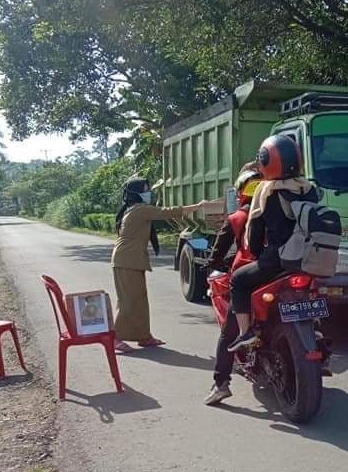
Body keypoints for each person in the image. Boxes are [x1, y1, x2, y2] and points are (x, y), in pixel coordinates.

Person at [227, 134, 318, 353]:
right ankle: (315, 327)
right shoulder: (309, 188)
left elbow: (255, 230)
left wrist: (258, 256)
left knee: (238, 280)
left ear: (267, 161)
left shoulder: (266, 191)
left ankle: (245, 333)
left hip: (277, 260)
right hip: (310, 258)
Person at [111, 177, 202, 353]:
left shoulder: (136, 209)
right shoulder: (139, 210)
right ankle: (115, 338)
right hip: (126, 260)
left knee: (139, 300)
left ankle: (144, 336)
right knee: (128, 300)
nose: (149, 192)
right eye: (145, 189)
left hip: (131, 260)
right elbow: (169, 212)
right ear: (137, 192)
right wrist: (198, 206)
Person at [204, 168, 260, 405]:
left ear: (241, 193)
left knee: (229, 334)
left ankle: (221, 384)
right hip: (286, 271)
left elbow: (217, 252)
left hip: (248, 275)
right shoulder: (285, 209)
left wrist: (209, 265)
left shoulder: (237, 218)